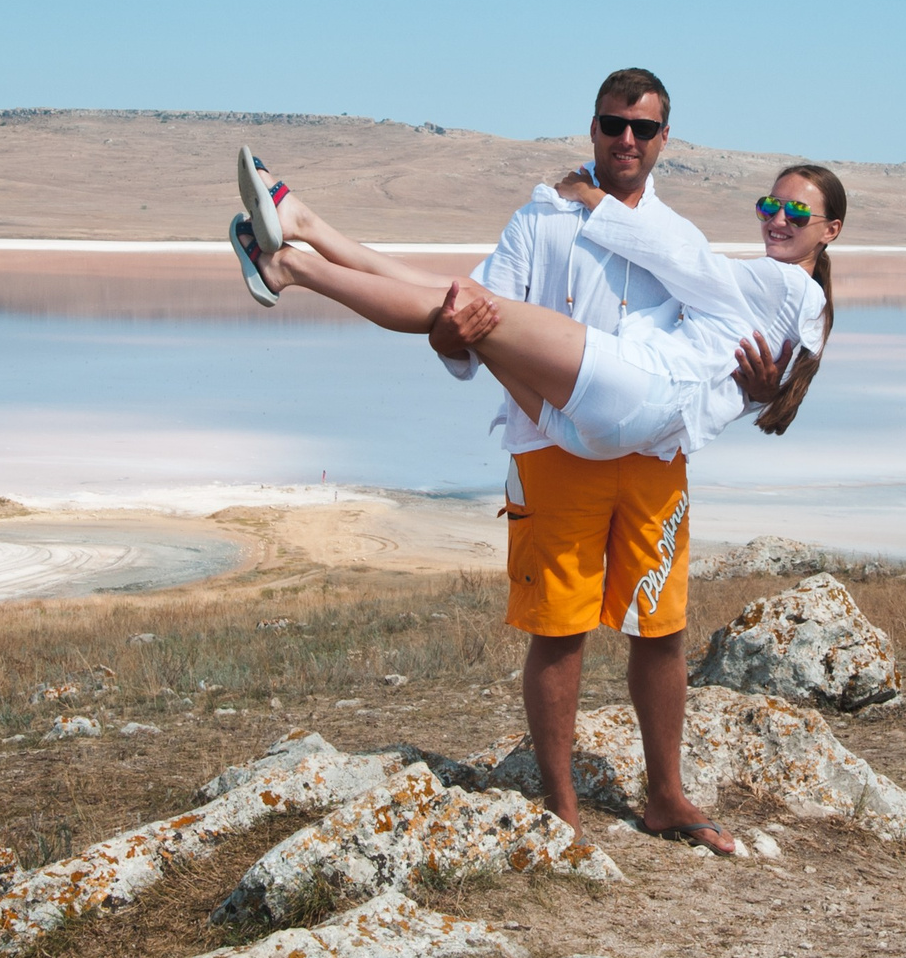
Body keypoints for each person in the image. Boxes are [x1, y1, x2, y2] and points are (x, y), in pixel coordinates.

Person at [225, 71, 845, 854]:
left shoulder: (719, 258)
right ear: (592, 129)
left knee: (661, 630)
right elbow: (466, 328)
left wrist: (762, 394)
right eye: (613, 125)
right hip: (566, 442)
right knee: (558, 627)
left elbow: (739, 356)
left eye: (642, 130)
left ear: (663, 142)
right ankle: (562, 809)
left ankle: (294, 253)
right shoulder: (543, 215)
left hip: (645, 436)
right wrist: (474, 328)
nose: (626, 140)